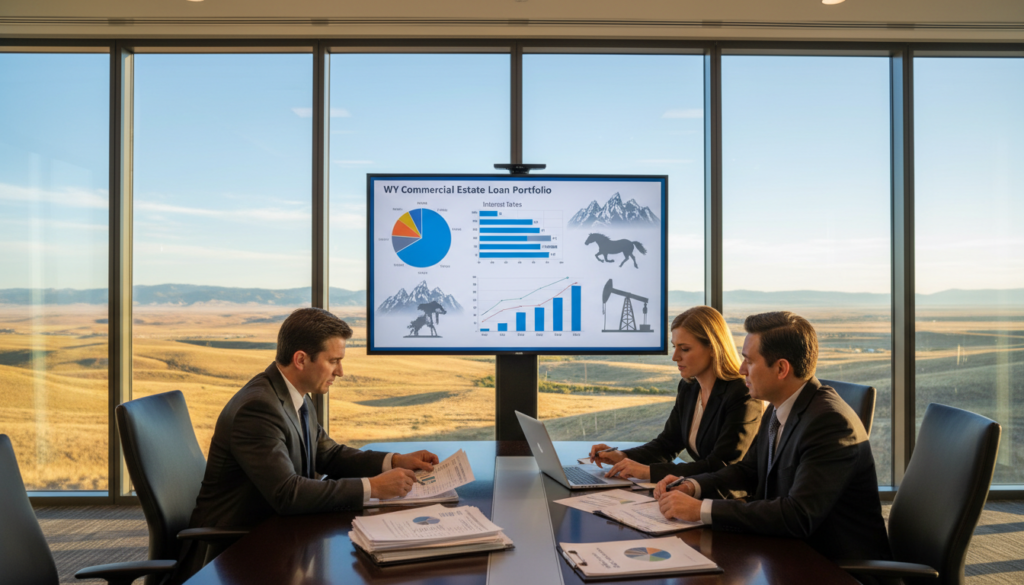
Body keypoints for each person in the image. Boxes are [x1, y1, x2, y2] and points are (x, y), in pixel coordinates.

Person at [654, 311, 890, 563]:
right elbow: (748, 471)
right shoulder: (779, 406)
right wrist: (693, 485)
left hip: (833, 567)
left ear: (781, 368)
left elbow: (797, 515)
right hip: (788, 554)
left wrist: (701, 510)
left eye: (749, 361)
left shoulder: (830, 423)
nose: (742, 369)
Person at [188, 307, 438, 531]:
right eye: (333, 361)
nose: (340, 372)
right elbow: (288, 493)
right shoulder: (258, 408)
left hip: (277, 531)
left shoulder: (295, 396)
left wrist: (394, 461)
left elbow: (329, 455)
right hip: (232, 553)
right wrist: (373, 487)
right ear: (300, 359)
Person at [589, 306, 762, 488]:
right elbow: (667, 444)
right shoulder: (689, 387)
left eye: (685, 349)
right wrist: (623, 457)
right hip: (697, 490)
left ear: (713, 348)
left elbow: (723, 465)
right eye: (674, 347)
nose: (675, 357)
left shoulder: (742, 394)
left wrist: (649, 472)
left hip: (728, 499)